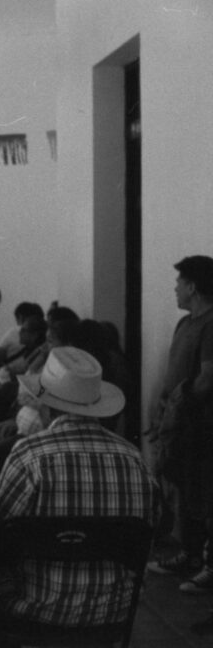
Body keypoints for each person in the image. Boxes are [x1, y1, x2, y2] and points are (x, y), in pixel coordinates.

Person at [0, 346, 161, 628]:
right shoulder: (135, 459)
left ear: (46, 403)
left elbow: (0, 536)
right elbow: (147, 540)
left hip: (34, 607)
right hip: (116, 610)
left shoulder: (28, 455)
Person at [146, 256, 213, 611]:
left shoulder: (211, 325)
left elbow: (207, 378)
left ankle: (210, 566)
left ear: (193, 286)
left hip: (201, 426)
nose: (175, 288)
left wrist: (179, 404)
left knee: (206, 494)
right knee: (185, 491)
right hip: (180, 425)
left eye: (179, 282)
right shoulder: (185, 323)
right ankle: (190, 554)